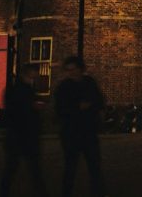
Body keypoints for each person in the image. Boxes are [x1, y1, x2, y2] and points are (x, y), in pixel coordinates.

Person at [54, 55, 106, 197]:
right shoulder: (64, 87)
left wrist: (98, 112)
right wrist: (78, 107)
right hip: (71, 133)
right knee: (70, 167)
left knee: (94, 166)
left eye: (74, 69)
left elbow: (99, 100)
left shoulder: (89, 82)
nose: (72, 73)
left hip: (89, 131)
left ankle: (98, 192)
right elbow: (60, 109)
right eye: (69, 70)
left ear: (80, 69)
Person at [2, 63, 49, 196]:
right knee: (29, 169)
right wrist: (33, 106)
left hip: (20, 135)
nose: (36, 77)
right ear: (28, 74)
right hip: (22, 135)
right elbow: (17, 111)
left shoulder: (19, 88)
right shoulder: (22, 89)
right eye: (34, 74)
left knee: (16, 168)